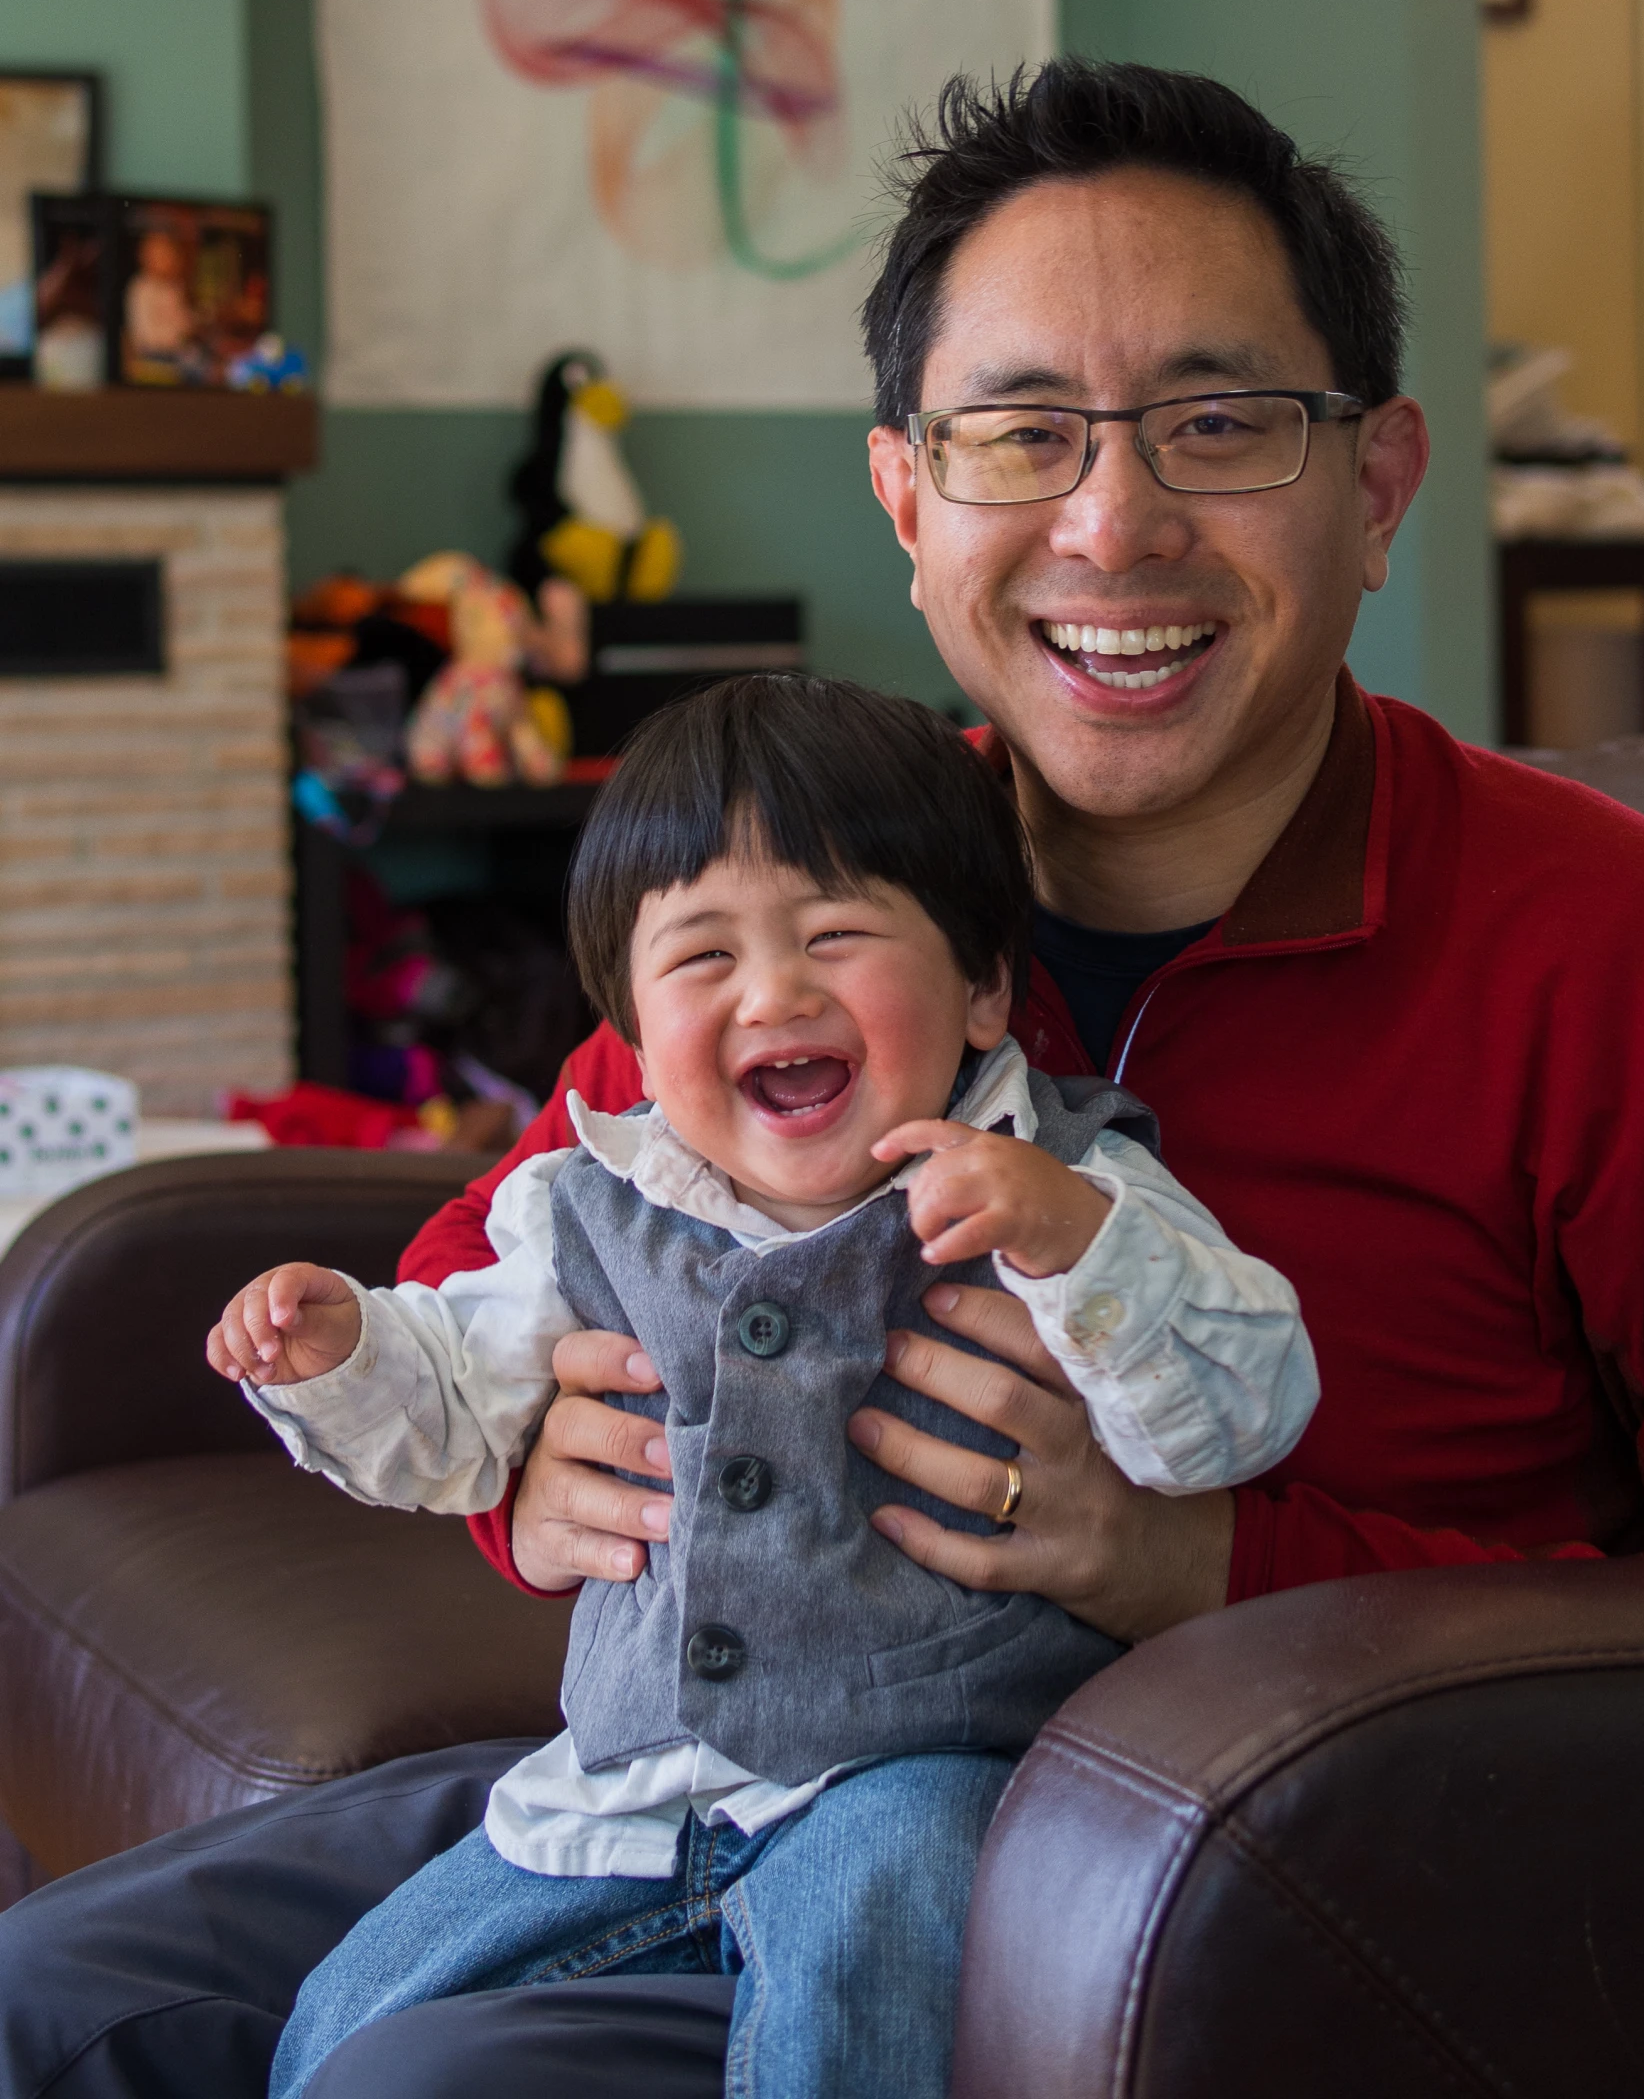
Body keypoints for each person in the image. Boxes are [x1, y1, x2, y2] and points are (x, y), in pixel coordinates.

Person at [5, 56, 1644, 2099]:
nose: (1113, 520)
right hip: (672, 1774)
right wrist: (521, 1491)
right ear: (905, 499)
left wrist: (1225, 1573)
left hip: (1215, 1878)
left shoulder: (1606, 946)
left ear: (1382, 482)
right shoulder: (813, 892)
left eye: (1223, 424)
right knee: (39, 2006)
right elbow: (512, 1232)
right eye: (1018, 432)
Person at [210, 674, 1315, 2098]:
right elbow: (451, 1417)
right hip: (618, 1790)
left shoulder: (1072, 1181)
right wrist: (343, 1352)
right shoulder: (582, 1202)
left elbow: (1241, 1404)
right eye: (700, 958)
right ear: (627, 1020)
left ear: (983, 987)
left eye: (836, 936)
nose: (774, 993)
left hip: (926, 1773)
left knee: (878, 1926)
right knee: (348, 2018)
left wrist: (1072, 1244)